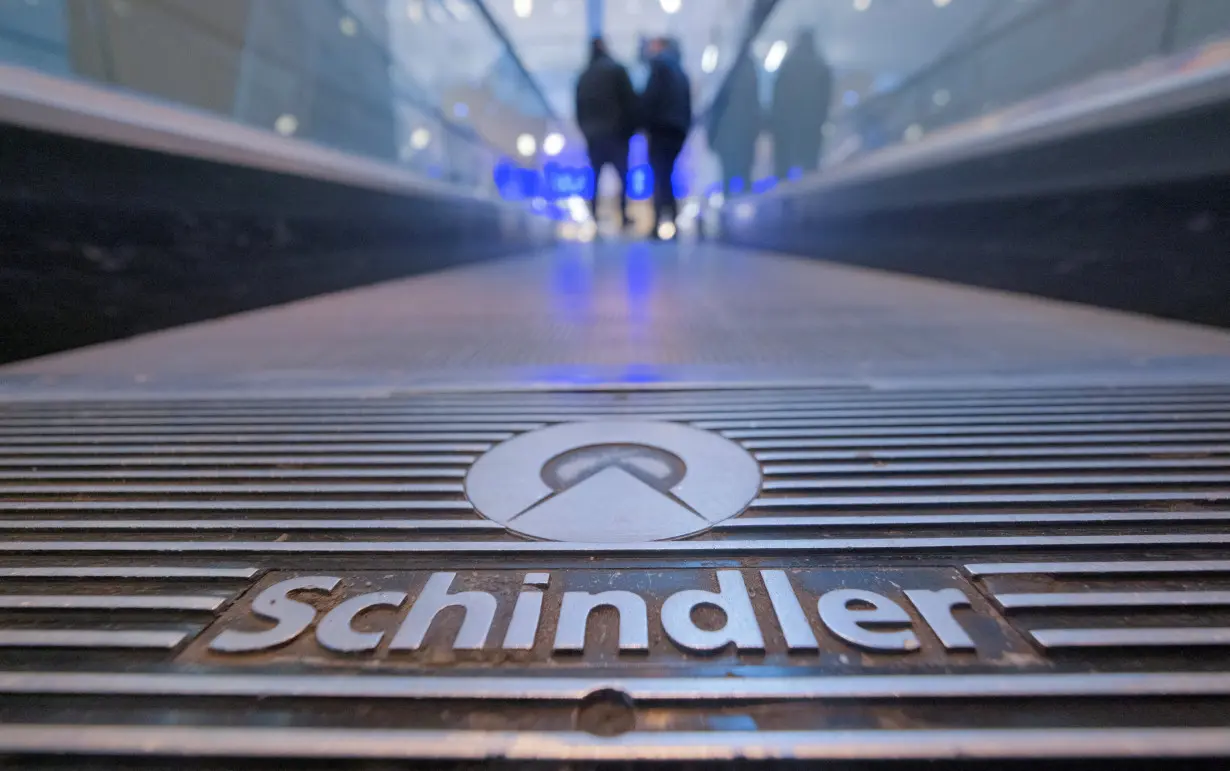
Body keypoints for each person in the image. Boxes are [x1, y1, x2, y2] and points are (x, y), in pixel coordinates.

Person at [575, 38, 638, 229]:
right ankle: (624, 216)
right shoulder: (617, 69)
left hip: (594, 135)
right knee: (623, 176)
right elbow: (630, 101)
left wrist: (586, 131)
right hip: (617, 133)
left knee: (595, 176)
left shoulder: (584, 76)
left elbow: (578, 108)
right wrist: (629, 130)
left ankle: (593, 215)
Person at [639, 36, 692, 238]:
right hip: (676, 128)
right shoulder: (680, 71)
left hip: (660, 127)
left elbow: (650, 99)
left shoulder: (659, 68)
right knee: (667, 174)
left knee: (660, 175)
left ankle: (659, 222)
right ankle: (672, 220)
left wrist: (643, 121)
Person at [770, 29, 834, 180]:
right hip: (811, 128)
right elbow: (826, 99)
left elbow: (777, 99)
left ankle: (783, 201)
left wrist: (775, 125)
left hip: (787, 130)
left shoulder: (787, 66)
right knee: (810, 170)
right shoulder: (821, 66)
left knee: (783, 173)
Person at [706, 53, 761, 196]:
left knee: (728, 179)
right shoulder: (751, 76)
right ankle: (747, 213)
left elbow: (715, 110)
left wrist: (712, 138)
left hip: (728, 140)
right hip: (744, 140)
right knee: (745, 178)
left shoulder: (727, 77)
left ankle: (728, 213)